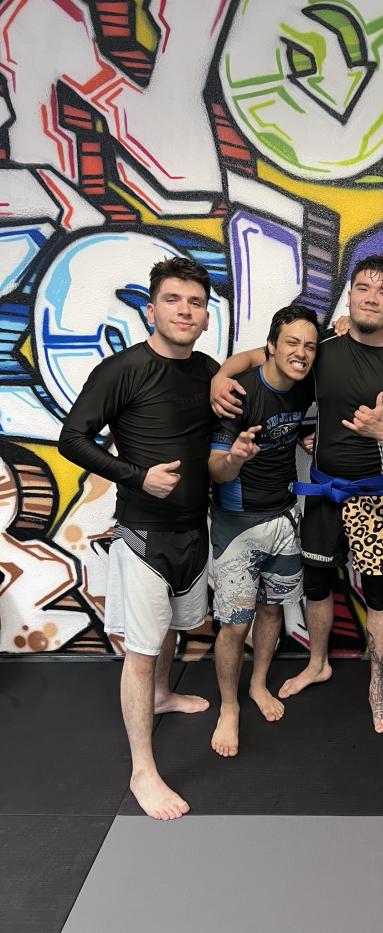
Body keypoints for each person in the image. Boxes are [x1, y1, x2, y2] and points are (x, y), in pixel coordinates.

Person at [211, 255, 383, 732]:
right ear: (349, 295)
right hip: (323, 491)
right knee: (316, 584)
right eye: (363, 288)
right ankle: (318, 663)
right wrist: (220, 376)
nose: (372, 298)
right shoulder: (323, 346)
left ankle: (376, 688)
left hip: (376, 498)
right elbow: (261, 356)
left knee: (377, 594)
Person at [58, 256, 217, 821]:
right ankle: (143, 771)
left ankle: (163, 698)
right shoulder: (122, 369)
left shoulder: (208, 370)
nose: (185, 311)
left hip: (193, 530)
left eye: (195, 303)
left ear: (206, 316)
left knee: (172, 629)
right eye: (173, 300)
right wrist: (136, 476)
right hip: (144, 535)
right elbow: (72, 438)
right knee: (142, 652)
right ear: (151, 310)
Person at [208, 306, 318, 757]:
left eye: (309, 346)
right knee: (235, 624)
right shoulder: (239, 392)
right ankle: (229, 707)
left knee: (272, 610)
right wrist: (234, 458)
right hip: (237, 524)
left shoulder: (305, 382)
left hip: (285, 517)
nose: (301, 353)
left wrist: (306, 436)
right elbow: (215, 470)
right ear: (270, 346)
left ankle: (257, 685)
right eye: (291, 343)